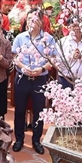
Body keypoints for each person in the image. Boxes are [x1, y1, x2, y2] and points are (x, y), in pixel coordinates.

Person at [11, 10, 56, 154]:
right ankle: (19, 139)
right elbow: (14, 56)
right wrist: (23, 67)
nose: (31, 21)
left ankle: (36, 140)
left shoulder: (48, 39)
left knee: (39, 111)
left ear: (41, 21)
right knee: (20, 110)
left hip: (40, 79)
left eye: (35, 18)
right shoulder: (20, 37)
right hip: (22, 78)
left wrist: (41, 69)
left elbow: (52, 59)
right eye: (29, 18)